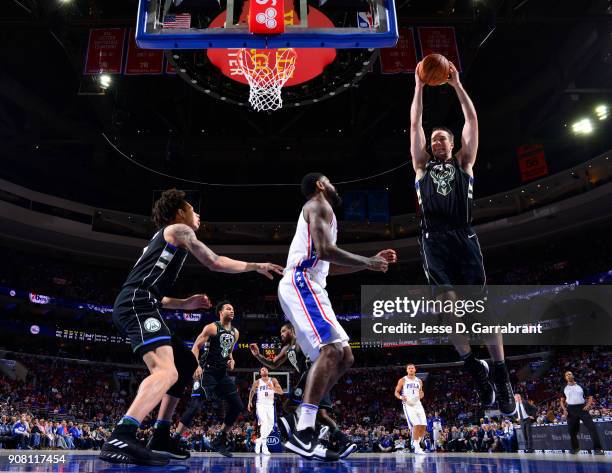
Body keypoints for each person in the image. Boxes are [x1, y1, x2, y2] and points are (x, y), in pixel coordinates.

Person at [100, 189, 283, 466]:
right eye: (192, 210)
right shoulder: (178, 230)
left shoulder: (162, 243)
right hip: (138, 304)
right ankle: (122, 434)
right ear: (178, 214)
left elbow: (153, 293)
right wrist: (256, 265)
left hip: (144, 302)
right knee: (166, 371)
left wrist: (184, 304)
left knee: (185, 364)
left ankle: (160, 434)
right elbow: (215, 262)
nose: (197, 214)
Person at [409, 60, 515, 416]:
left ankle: (500, 374)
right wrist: (419, 87)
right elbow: (414, 124)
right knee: (450, 309)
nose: (437, 140)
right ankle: (473, 367)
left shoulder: (464, 163)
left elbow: (472, 121)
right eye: (434, 138)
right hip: (434, 241)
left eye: (443, 138)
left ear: (452, 145)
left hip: (464, 238)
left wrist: (456, 85)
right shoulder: (421, 167)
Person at [277, 172, 396, 460]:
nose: (334, 184)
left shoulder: (326, 214)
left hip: (315, 284)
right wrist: (368, 260)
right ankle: (304, 430)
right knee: (330, 350)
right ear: (320, 184)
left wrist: (366, 265)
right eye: (330, 180)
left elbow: (329, 263)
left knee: (345, 356)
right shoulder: (318, 205)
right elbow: (325, 250)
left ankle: (305, 415)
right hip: (301, 281)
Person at [249, 323, 357, 458]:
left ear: (292, 330)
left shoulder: (302, 339)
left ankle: (315, 430)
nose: (281, 334)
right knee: (320, 414)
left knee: (290, 406)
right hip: (311, 379)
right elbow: (274, 364)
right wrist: (258, 355)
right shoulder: (287, 348)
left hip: (314, 375)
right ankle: (343, 440)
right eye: (280, 332)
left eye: (284, 331)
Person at [170, 301, 242, 457]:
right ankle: (174, 439)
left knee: (237, 405)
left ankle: (220, 439)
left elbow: (229, 352)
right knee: (195, 405)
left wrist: (232, 360)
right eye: (228, 308)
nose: (232, 311)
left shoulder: (235, 332)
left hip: (222, 373)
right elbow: (195, 347)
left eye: (233, 309)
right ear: (220, 312)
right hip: (206, 371)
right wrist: (196, 366)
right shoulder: (212, 327)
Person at [560, 371, 604, 454]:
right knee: (571, 431)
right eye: (566, 375)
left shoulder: (581, 386)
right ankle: (575, 448)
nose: (568, 376)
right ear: (565, 378)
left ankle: (597, 449)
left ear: (573, 376)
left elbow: (590, 397)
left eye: (569, 374)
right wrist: (564, 409)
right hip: (571, 410)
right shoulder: (564, 388)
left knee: (592, 428)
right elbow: (562, 401)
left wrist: (588, 405)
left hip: (582, 408)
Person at [248, 367, 284, 455]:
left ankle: (259, 441)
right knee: (264, 423)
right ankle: (264, 447)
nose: (264, 370)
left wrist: (272, 387)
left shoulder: (273, 380)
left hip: (270, 406)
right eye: (262, 369)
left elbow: (281, 392)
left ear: (268, 371)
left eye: (265, 369)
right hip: (260, 405)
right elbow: (252, 391)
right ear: (260, 373)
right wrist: (249, 402)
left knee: (271, 425)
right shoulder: (257, 382)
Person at [394, 364, 427, 454]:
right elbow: (396, 392)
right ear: (407, 370)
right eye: (409, 368)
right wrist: (401, 397)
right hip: (408, 404)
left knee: (423, 425)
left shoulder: (419, 381)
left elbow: (421, 392)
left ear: (415, 369)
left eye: (412, 368)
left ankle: (416, 441)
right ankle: (416, 446)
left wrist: (422, 394)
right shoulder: (403, 380)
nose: (411, 369)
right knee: (416, 425)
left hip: (418, 404)